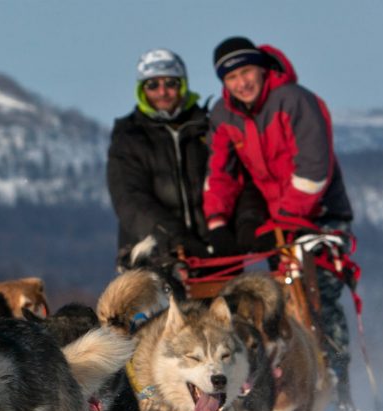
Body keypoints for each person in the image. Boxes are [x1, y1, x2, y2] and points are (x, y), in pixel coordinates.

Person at [203, 36, 357, 411]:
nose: (242, 83)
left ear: (261, 68)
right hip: (277, 222)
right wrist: (219, 222)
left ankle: (340, 386)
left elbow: (313, 168)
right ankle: (286, 386)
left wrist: (289, 219)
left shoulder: (294, 100)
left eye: (246, 72)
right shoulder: (224, 116)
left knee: (319, 295)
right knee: (277, 303)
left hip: (319, 212)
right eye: (232, 77)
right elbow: (220, 175)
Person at [107, 48, 266, 272]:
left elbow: (237, 178)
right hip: (154, 256)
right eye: (153, 85)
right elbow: (130, 200)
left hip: (216, 254)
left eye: (171, 83)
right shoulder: (128, 136)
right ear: (142, 90)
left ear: (182, 85)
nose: (163, 92)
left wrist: (244, 224)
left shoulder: (208, 126)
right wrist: (174, 238)